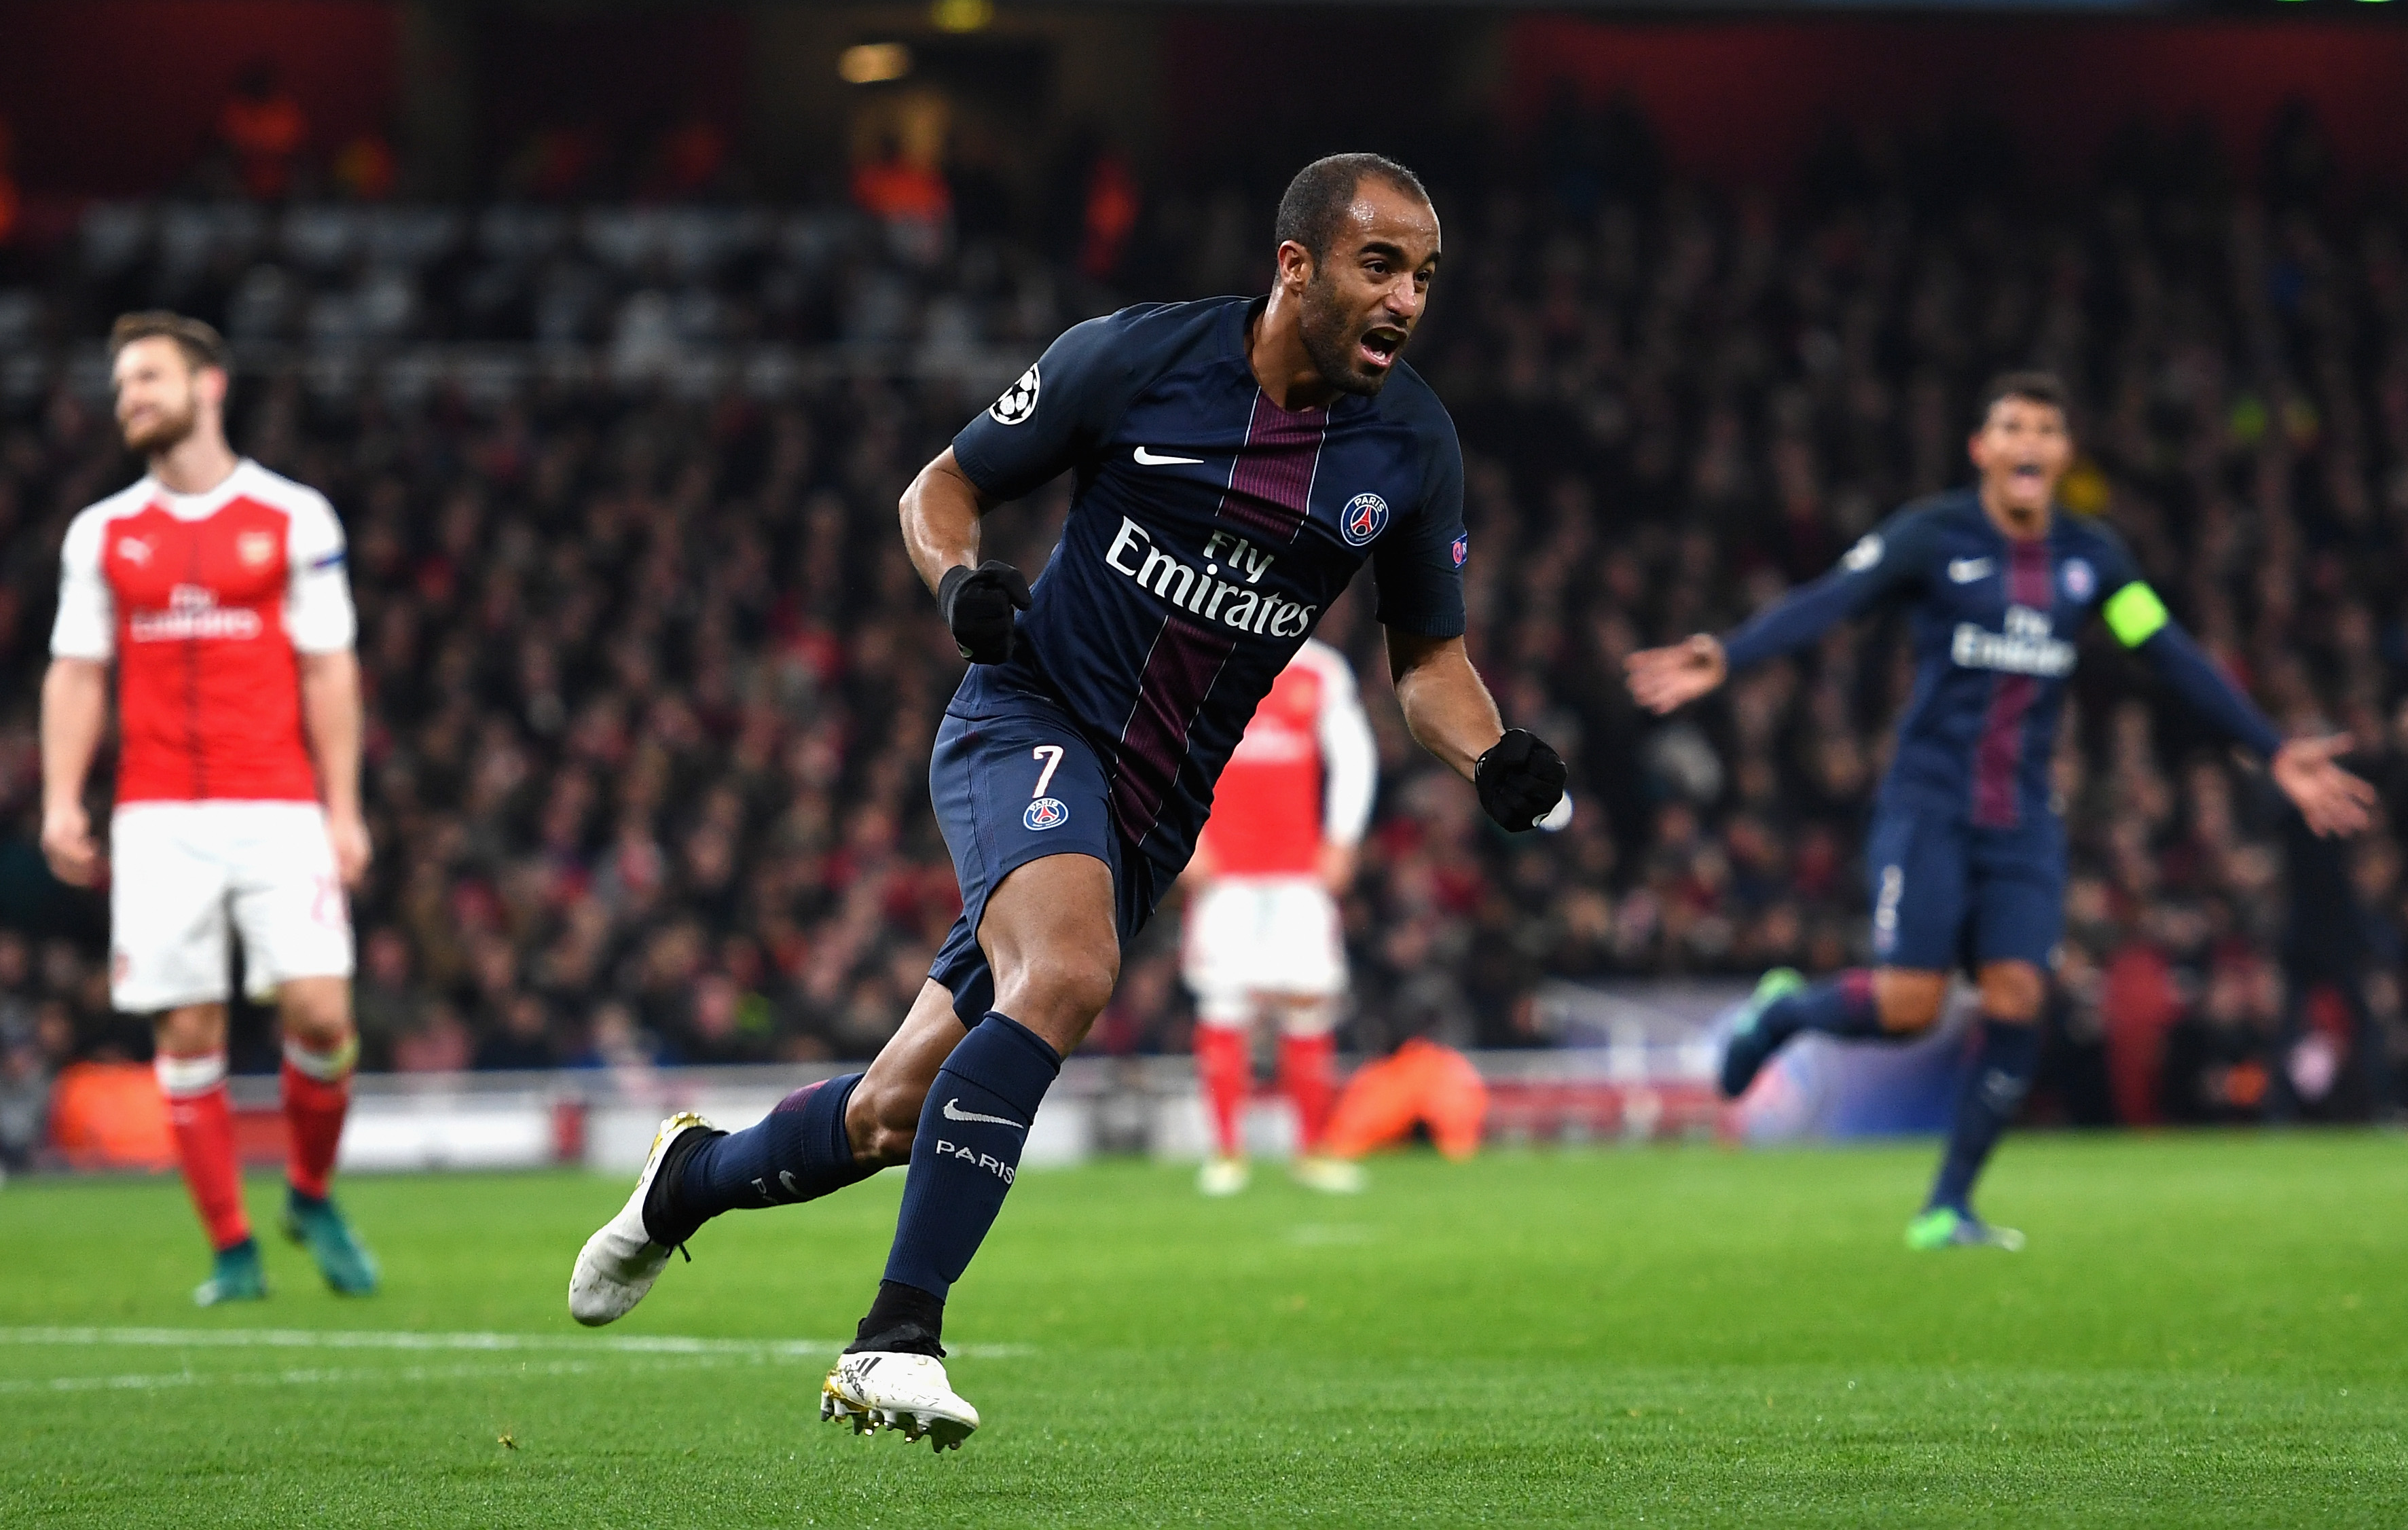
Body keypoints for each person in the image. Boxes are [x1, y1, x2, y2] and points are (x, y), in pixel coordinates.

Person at [570, 152, 1569, 1449]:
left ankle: (683, 1181)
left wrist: (1490, 756)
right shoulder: (1138, 360)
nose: (1406, 300)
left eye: (1425, 277)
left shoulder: (1412, 443)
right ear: (1296, 265)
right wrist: (958, 585)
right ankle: (893, 1339)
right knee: (1069, 971)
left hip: (1150, 815)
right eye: (1380, 266)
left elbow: (1428, 665)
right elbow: (939, 486)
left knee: (886, 1115)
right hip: (1028, 721)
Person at [1626, 371, 2373, 1251]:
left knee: (2019, 995)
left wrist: (2269, 743)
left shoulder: (2091, 559)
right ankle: (1785, 1012)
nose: (2028, 441)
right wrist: (1731, 653)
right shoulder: (1931, 535)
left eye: (2045, 428)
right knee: (1910, 1005)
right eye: (2010, 426)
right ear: (1982, 450)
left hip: (2022, 814)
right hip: (1929, 801)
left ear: (2062, 453)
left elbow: (2166, 651)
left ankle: (1947, 1205)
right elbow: (1832, 597)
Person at [41, 312, 376, 1305]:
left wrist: (345, 810)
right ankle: (233, 1251)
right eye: (120, 386)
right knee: (187, 1033)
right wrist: (64, 797)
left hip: (278, 806)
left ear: (209, 385)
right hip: (156, 819)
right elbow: (76, 671)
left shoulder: (293, 516)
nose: (129, 398)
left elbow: (328, 669)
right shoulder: (101, 533)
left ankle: (310, 1193)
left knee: (321, 1012)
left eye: (147, 378)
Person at [1182, 636, 1375, 1197]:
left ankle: (1311, 1151)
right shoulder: (1200, 658)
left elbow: (1354, 754)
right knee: (1224, 1001)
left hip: (1299, 872)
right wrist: (1182, 837)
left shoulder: (1319, 669)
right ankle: (1226, 1154)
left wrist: (1342, 838)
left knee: (1310, 1000)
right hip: (1225, 874)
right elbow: (1165, 747)